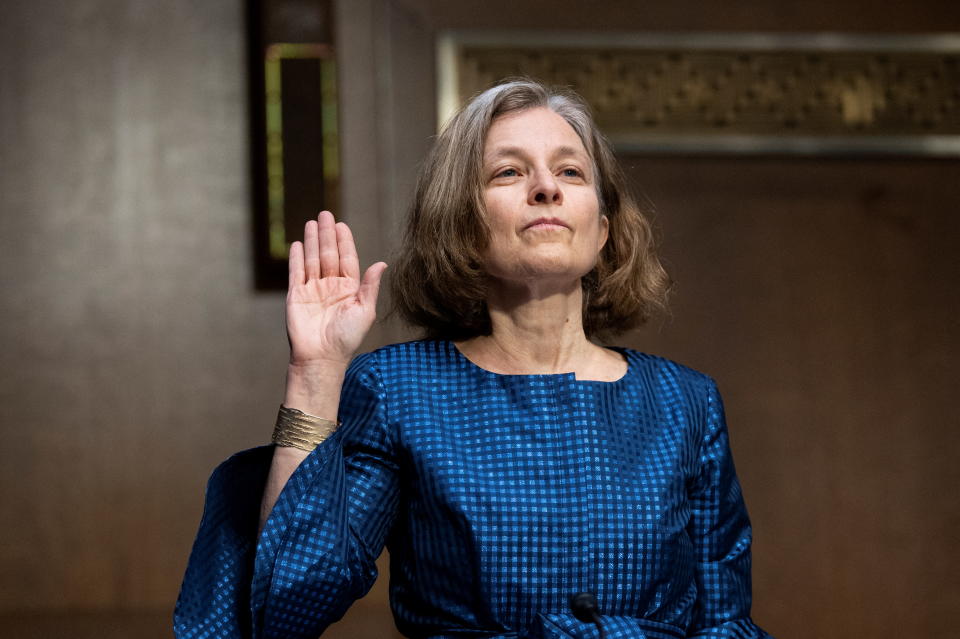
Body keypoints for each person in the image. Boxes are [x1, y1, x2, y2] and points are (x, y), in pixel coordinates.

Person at [175, 79, 772, 639]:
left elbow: (725, 622)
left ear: (604, 231)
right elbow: (286, 603)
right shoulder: (398, 389)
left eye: (570, 170)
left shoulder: (685, 402)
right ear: (460, 221)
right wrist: (314, 373)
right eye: (509, 172)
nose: (547, 187)